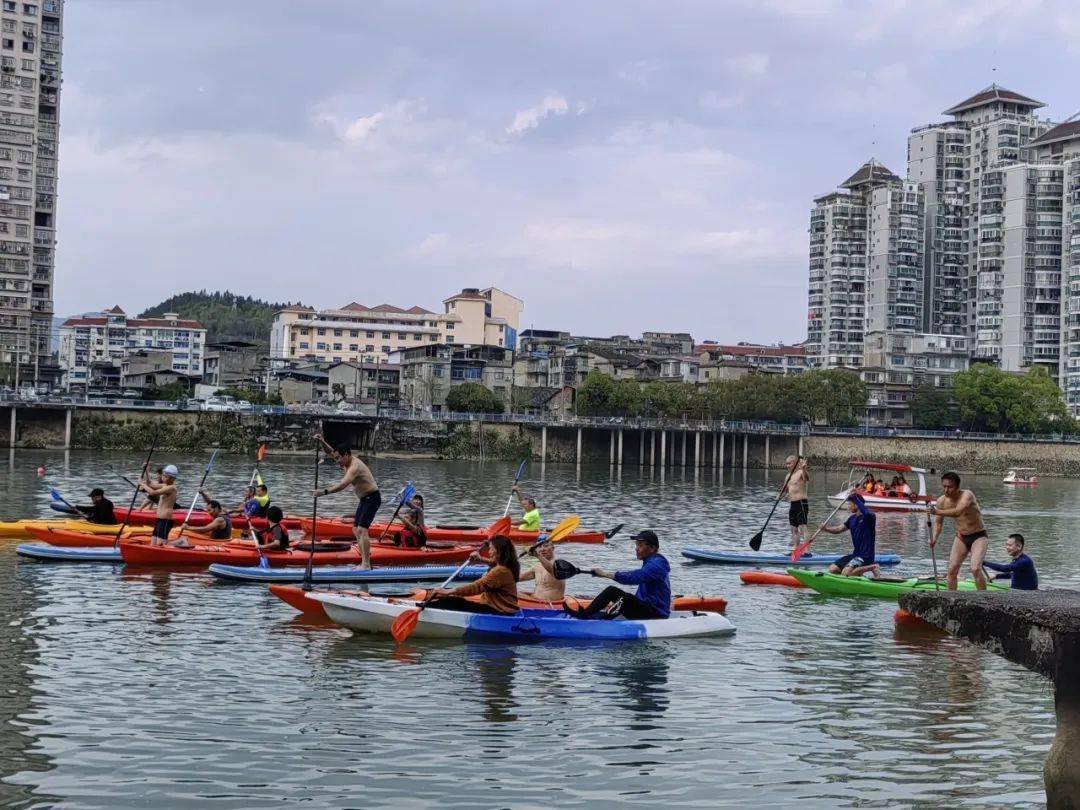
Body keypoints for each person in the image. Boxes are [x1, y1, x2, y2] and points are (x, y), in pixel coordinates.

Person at [566, 530, 670, 620]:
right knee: (612, 591)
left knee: (626, 598)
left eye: (640, 545)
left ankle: (601, 621)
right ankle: (585, 614)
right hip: (647, 608)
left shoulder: (657, 565)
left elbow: (634, 577)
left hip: (656, 613)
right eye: (636, 545)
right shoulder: (651, 561)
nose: (636, 548)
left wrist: (604, 574)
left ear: (652, 548)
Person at [313, 442, 381, 569]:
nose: (337, 461)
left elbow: (342, 485)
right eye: (336, 458)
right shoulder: (345, 461)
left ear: (347, 455)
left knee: (361, 529)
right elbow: (330, 451)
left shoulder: (354, 467)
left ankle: (366, 564)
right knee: (355, 530)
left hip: (373, 498)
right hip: (364, 499)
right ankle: (365, 559)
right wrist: (321, 441)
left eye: (339, 458)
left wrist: (323, 492)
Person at [425, 535, 520, 615]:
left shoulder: (500, 571)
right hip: (502, 609)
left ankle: (426, 610)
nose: (489, 552)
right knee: (453, 600)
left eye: (491, 549)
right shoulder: (508, 565)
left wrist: (449, 591)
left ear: (499, 551)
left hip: (498, 611)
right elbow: (493, 564)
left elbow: (477, 586)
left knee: (451, 601)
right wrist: (480, 559)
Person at [929, 471, 989, 591]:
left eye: (950, 487)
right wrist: (934, 537)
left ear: (957, 487)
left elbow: (958, 511)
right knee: (951, 570)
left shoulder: (967, 495)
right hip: (961, 537)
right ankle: (951, 599)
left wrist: (937, 511)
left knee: (975, 568)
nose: (946, 490)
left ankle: (984, 598)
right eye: (944, 486)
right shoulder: (941, 501)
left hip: (978, 536)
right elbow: (939, 523)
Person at [818, 492, 879, 577]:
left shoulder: (869, 518)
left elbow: (867, 513)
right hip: (855, 555)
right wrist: (826, 529)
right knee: (833, 569)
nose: (848, 506)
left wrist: (855, 498)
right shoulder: (852, 519)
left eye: (850, 504)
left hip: (866, 556)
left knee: (845, 573)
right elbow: (839, 529)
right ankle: (856, 575)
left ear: (856, 505)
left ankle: (873, 567)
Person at [139, 464, 179, 547]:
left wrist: (142, 485)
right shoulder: (165, 485)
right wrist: (146, 470)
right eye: (163, 475)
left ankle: (179, 543)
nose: (163, 477)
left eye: (166, 476)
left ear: (172, 478)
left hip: (165, 520)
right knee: (153, 544)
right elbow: (150, 484)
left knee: (160, 545)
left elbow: (152, 492)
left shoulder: (172, 488)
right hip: (158, 519)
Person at [784, 456, 810, 549]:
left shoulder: (800, 473)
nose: (787, 466)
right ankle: (796, 548)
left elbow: (807, 478)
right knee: (793, 529)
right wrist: (780, 496)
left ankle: (806, 550)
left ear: (795, 463)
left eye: (789, 463)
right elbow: (786, 490)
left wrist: (804, 469)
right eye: (786, 464)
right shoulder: (788, 476)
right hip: (793, 504)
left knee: (803, 528)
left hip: (801, 503)